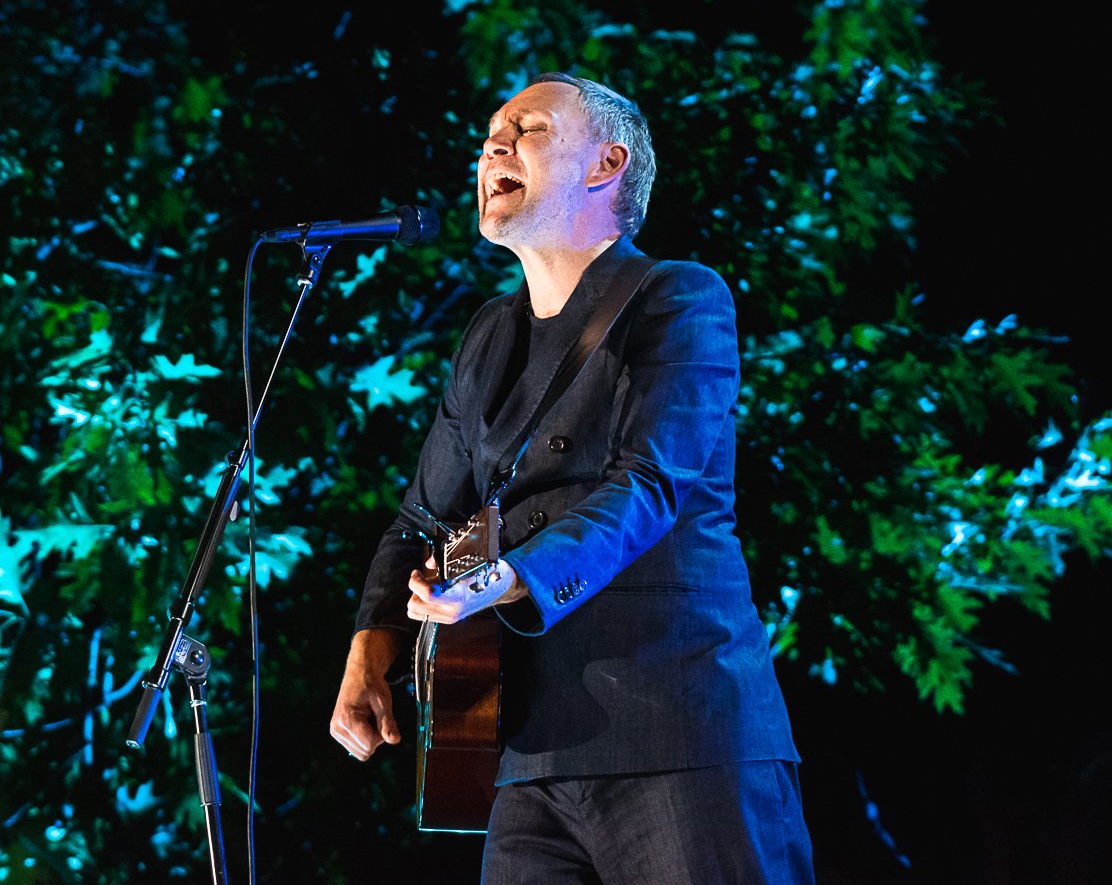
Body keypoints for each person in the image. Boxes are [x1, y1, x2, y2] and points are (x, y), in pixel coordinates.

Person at [328, 73, 813, 883]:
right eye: (489, 133)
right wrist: (367, 652)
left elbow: (650, 485)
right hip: (522, 753)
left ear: (606, 163)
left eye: (529, 128)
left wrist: (507, 575)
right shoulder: (487, 336)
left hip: (677, 731)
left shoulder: (678, 297)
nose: (494, 145)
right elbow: (420, 519)